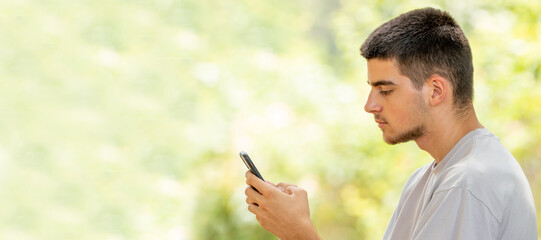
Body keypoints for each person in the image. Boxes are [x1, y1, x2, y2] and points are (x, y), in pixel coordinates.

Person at [244, 7, 538, 240]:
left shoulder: (469, 182)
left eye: (385, 90)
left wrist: (299, 234)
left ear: (436, 90)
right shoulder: (426, 180)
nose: (370, 105)